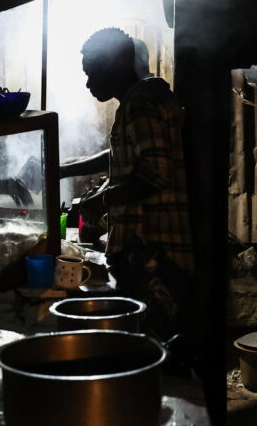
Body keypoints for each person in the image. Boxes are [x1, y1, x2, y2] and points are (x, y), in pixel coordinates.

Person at [60, 28, 194, 337]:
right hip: (149, 250)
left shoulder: (141, 104)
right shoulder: (142, 98)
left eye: (92, 73)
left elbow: (155, 174)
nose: (89, 83)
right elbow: (122, 154)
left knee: (152, 345)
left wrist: (102, 200)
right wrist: (66, 169)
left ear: (115, 64)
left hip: (153, 250)